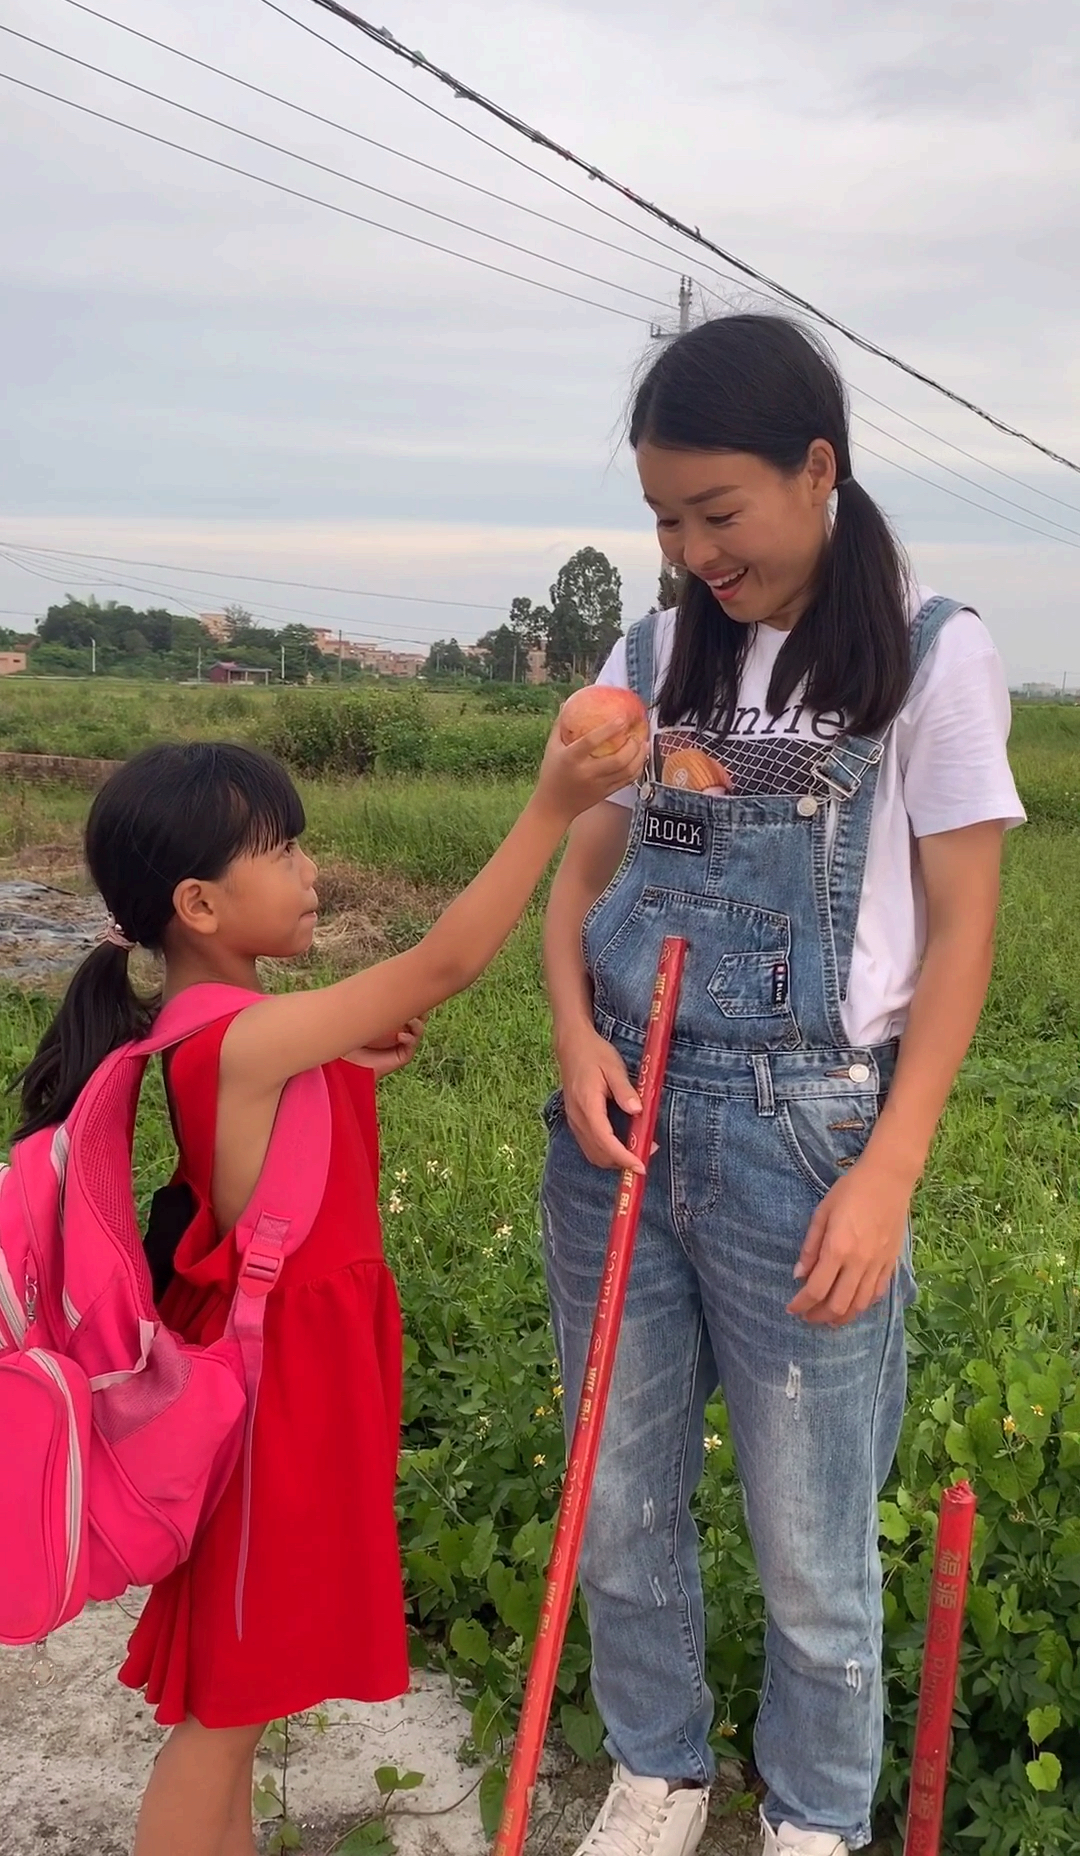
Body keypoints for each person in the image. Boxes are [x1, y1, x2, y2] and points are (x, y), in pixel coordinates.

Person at [541, 314, 1024, 1856]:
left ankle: (812, 1815)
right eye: (667, 521)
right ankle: (661, 1770)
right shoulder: (651, 656)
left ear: (819, 470)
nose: (695, 553)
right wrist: (569, 1029)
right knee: (615, 1502)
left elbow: (961, 940)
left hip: (805, 1132)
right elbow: (578, 873)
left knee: (815, 1540)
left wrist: (888, 1171)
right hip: (618, 1119)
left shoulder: (934, 658)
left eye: (719, 513)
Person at [14, 720, 647, 1856]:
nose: (313, 874)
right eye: (287, 853)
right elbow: (443, 966)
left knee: (242, 1709)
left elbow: (285, 1108)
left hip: (303, 1381)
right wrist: (551, 806)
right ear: (200, 906)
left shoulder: (241, 1032)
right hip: (279, 1401)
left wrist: (337, 1062)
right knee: (224, 1716)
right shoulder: (243, 1044)